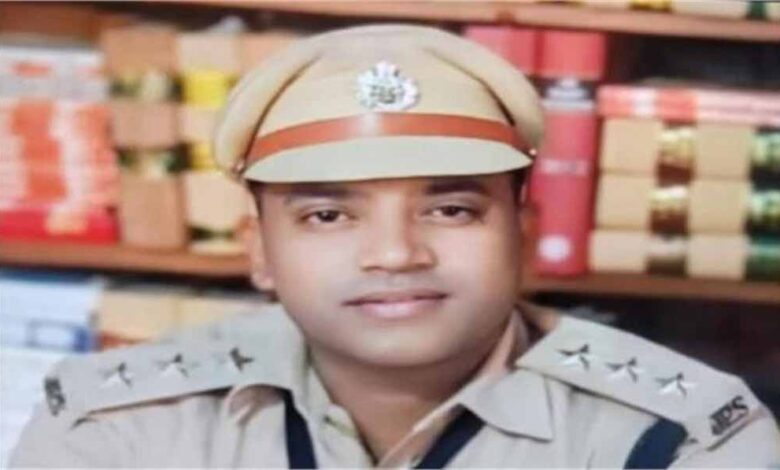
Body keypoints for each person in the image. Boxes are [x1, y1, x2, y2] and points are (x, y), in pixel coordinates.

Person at [10, 24, 780, 468]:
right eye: (327, 216)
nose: (395, 253)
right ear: (260, 252)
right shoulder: (115, 425)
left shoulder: (681, 436)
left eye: (450, 209)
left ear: (525, 234)